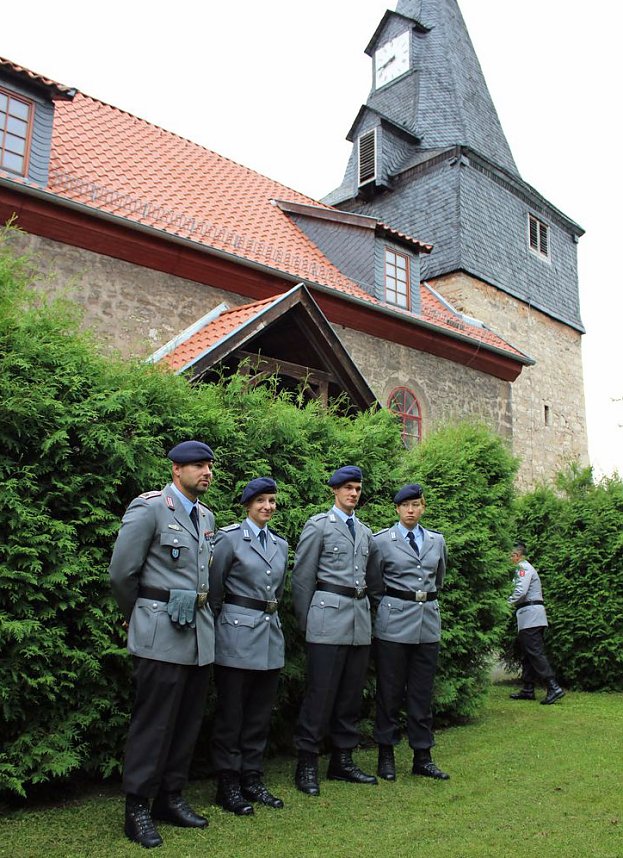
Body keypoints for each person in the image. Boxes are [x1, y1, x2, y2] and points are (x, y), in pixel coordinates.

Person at [108, 440, 216, 849]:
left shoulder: (205, 515)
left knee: (187, 722)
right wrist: (137, 614)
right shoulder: (151, 508)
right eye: (197, 466)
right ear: (176, 469)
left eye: (209, 466)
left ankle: (170, 799)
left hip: (198, 635)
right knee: (153, 723)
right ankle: (137, 807)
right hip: (160, 633)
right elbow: (122, 573)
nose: (206, 472)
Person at [291, 465, 382, 797]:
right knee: (320, 695)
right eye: (347, 488)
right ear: (335, 491)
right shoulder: (319, 526)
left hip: (358, 623)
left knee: (349, 697)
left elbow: (372, 583)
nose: (353, 493)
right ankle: (307, 764)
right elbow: (302, 580)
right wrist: (308, 622)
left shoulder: (366, 532)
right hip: (326, 621)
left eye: (357, 488)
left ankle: (342, 761)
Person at [208, 477, 288, 815]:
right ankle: (227, 784)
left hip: (269, 636)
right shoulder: (229, 540)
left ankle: (252, 778)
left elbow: (278, 593)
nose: (267, 507)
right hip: (236, 636)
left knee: (258, 715)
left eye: (271, 501)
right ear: (247, 505)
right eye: (261, 501)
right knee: (232, 715)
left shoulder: (281, 545)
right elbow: (213, 592)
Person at [370, 483, 449, 782]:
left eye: (416, 505)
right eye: (406, 506)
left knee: (421, 693)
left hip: (427, 624)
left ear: (423, 507)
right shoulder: (381, 541)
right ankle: (386, 755)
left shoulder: (436, 541)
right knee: (389, 693)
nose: (411, 510)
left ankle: (422, 756)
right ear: (397, 509)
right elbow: (375, 583)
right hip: (393, 623)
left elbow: (438, 580)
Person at [508, 541, 565, 705]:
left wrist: (505, 603)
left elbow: (520, 591)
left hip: (531, 616)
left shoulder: (523, 568)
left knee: (535, 652)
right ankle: (528, 689)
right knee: (528, 653)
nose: (509, 559)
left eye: (510, 556)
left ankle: (553, 686)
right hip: (530, 616)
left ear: (517, 555)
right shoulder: (524, 568)